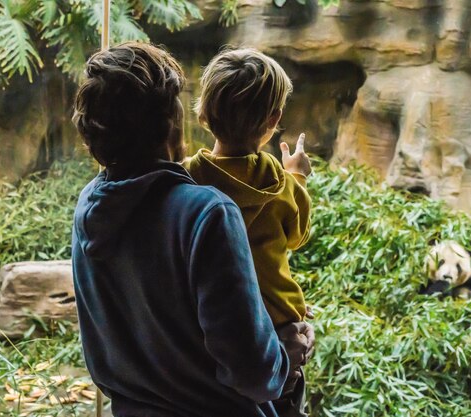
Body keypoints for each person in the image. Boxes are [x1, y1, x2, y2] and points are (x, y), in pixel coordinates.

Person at [71, 42, 312, 417]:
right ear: (170, 123)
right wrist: (286, 354)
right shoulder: (208, 213)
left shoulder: (89, 205)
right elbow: (254, 374)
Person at [185, 48, 314, 416]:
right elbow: (297, 234)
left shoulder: (187, 176)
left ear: (203, 114)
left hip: (215, 329)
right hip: (280, 324)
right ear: (273, 121)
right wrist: (298, 176)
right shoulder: (277, 178)